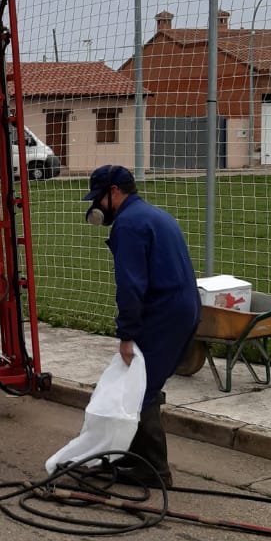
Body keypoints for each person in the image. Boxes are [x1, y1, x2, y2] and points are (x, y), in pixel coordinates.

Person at [83, 164, 200, 487]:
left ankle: (154, 470)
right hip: (182, 307)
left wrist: (128, 334)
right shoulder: (152, 215)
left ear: (114, 193)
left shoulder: (129, 226)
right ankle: (130, 458)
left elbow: (131, 286)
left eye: (99, 198)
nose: (97, 207)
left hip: (165, 312)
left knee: (140, 388)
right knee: (137, 385)